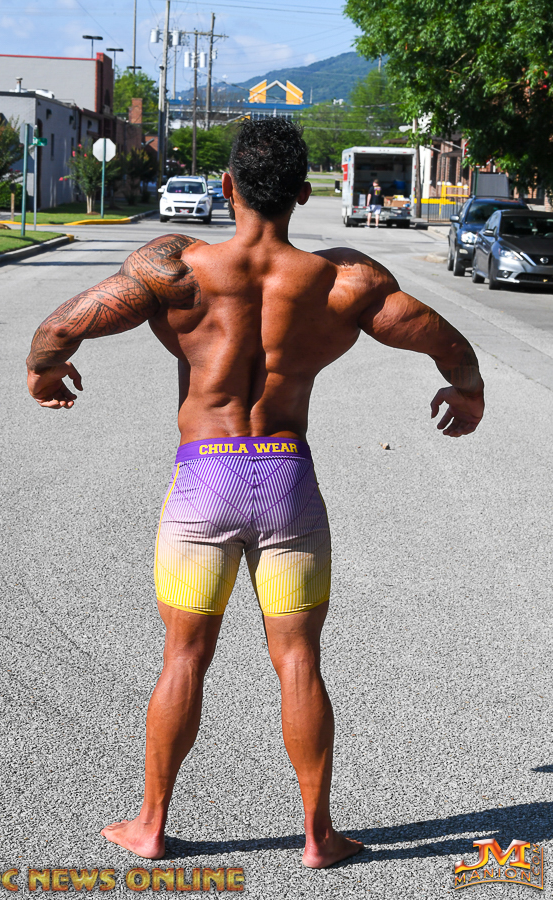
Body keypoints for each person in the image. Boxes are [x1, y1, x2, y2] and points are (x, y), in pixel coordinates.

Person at [25, 119, 484, 868]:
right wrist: (467, 392)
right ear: (303, 194)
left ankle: (150, 826)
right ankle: (318, 835)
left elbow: (60, 328)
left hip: (204, 480)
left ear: (227, 185)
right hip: (285, 477)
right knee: (299, 660)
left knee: (184, 657)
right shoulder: (342, 281)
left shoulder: (176, 267)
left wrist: (45, 369)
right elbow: (446, 343)